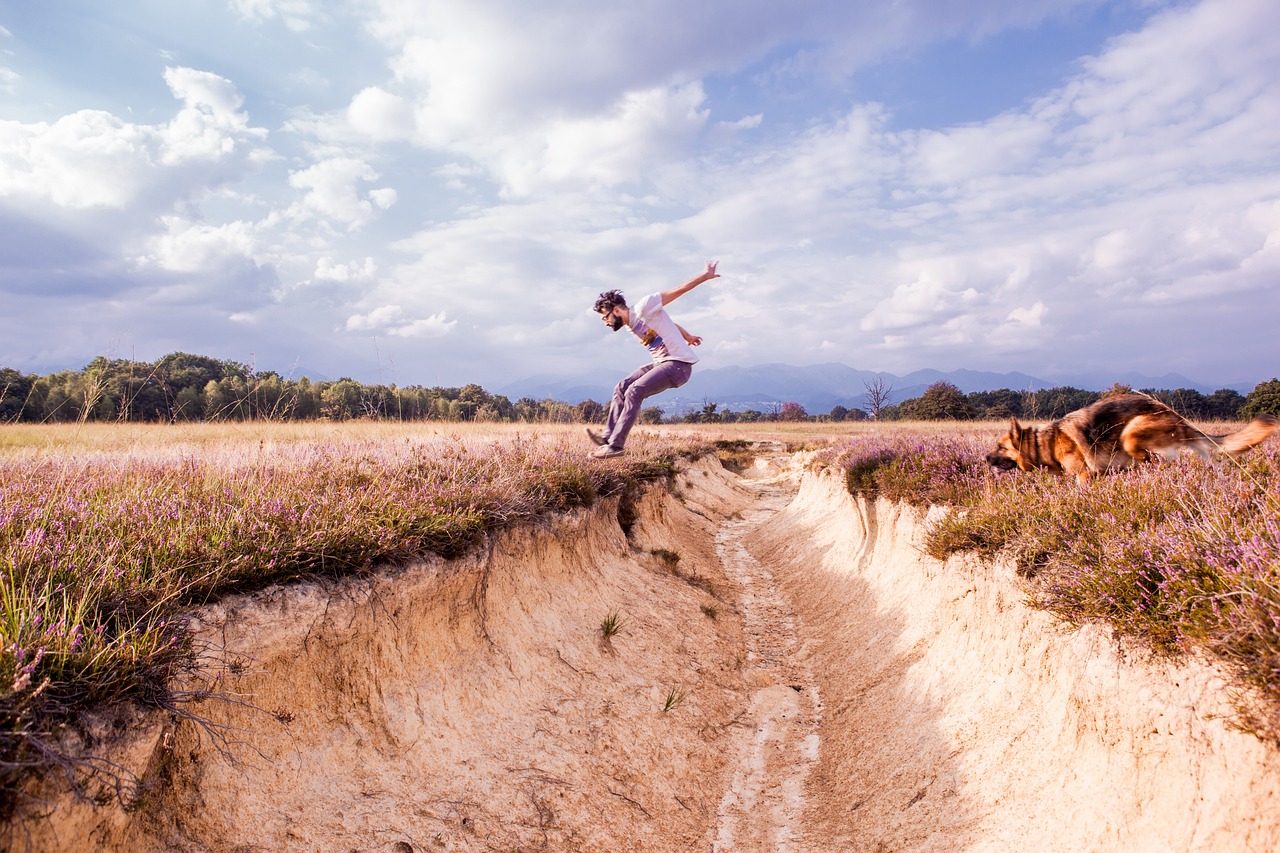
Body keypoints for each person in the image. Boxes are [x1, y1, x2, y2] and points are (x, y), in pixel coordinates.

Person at [586, 260, 719, 458]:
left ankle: (615, 447)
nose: (605, 322)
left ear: (615, 310)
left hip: (678, 366)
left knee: (635, 391)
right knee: (622, 387)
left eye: (605, 317)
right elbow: (670, 324)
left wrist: (704, 276)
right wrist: (688, 336)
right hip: (662, 363)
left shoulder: (644, 307)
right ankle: (607, 437)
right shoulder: (632, 325)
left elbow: (678, 290)